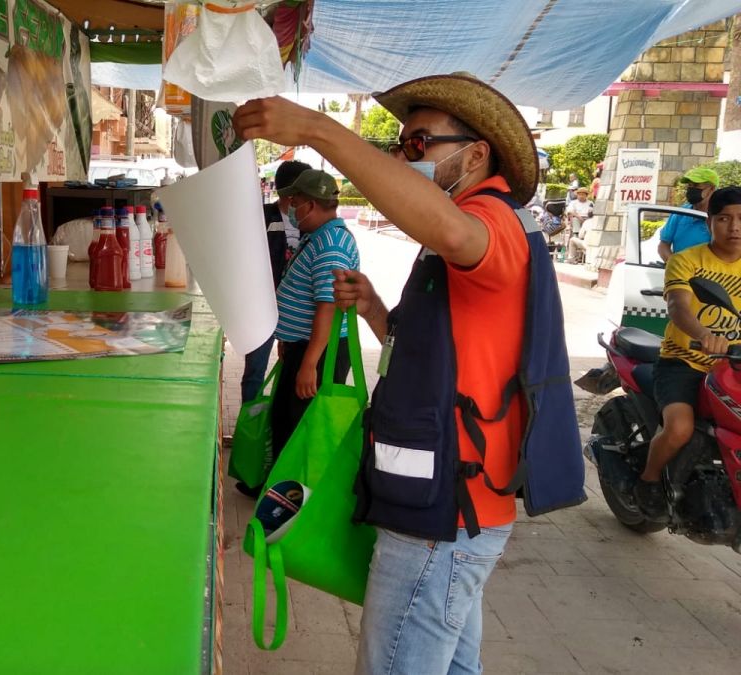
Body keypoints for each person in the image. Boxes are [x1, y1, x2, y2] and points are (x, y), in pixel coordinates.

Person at [235, 72, 581, 674]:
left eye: (418, 143)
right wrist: (373, 309)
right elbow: (435, 353)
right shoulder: (457, 235)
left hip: (442, 516)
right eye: (400, 144)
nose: (402, 156)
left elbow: (450, 231)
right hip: (446, 510)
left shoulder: (489, 221)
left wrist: (318, 130)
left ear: (476, 154)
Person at [634, 186, 741, 518]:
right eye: (724, 219)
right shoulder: (686, 260)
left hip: (733, 367)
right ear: (709, 222)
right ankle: (648, 482)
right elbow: (678, 306)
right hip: (684, 361)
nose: (734, 227)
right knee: (679, 428)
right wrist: (703, 334)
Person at [268, 169, 359, 467]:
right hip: (303, 346)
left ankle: (294, 501)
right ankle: (277, 489)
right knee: (283, 419)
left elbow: (328, 306)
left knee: (301, 426)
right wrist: (288, 340)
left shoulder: (330, 242)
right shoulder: (319, 236)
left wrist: (308, 364)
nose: (292, 208)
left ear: (310, 205)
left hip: (318, 351)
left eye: (295, 202)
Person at [240, 160, 310, 405]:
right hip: (262, 307)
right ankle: (249, 424)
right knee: (255, 371)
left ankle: (280, 420)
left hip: (296, 308)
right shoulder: (261, 217)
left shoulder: (309, 221)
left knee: (291, 369)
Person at [658, 167, 719, 261]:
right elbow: (663, 246)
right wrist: (676, 267)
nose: (691, 190)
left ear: (711, 189)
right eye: (689, 186)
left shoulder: (719, 217)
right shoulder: (680, 213)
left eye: (696, 185)